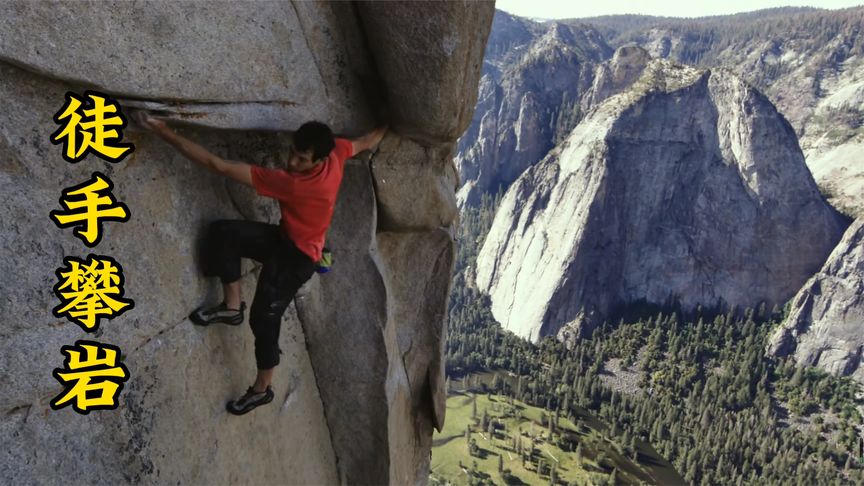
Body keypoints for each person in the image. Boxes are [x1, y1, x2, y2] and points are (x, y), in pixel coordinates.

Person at [136, 113, 387, 414]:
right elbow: (365, 142)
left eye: (302, 159)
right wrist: (390, 119)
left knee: (264, 319)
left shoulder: (294, 184)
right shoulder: (337, 152)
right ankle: (231, 308)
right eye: (293, 152)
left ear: (319, 160)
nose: (293, 162)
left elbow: (218, 165)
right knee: (223, 233)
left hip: (298, 259)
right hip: (285, 239)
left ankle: (261, 389)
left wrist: (165, 132)